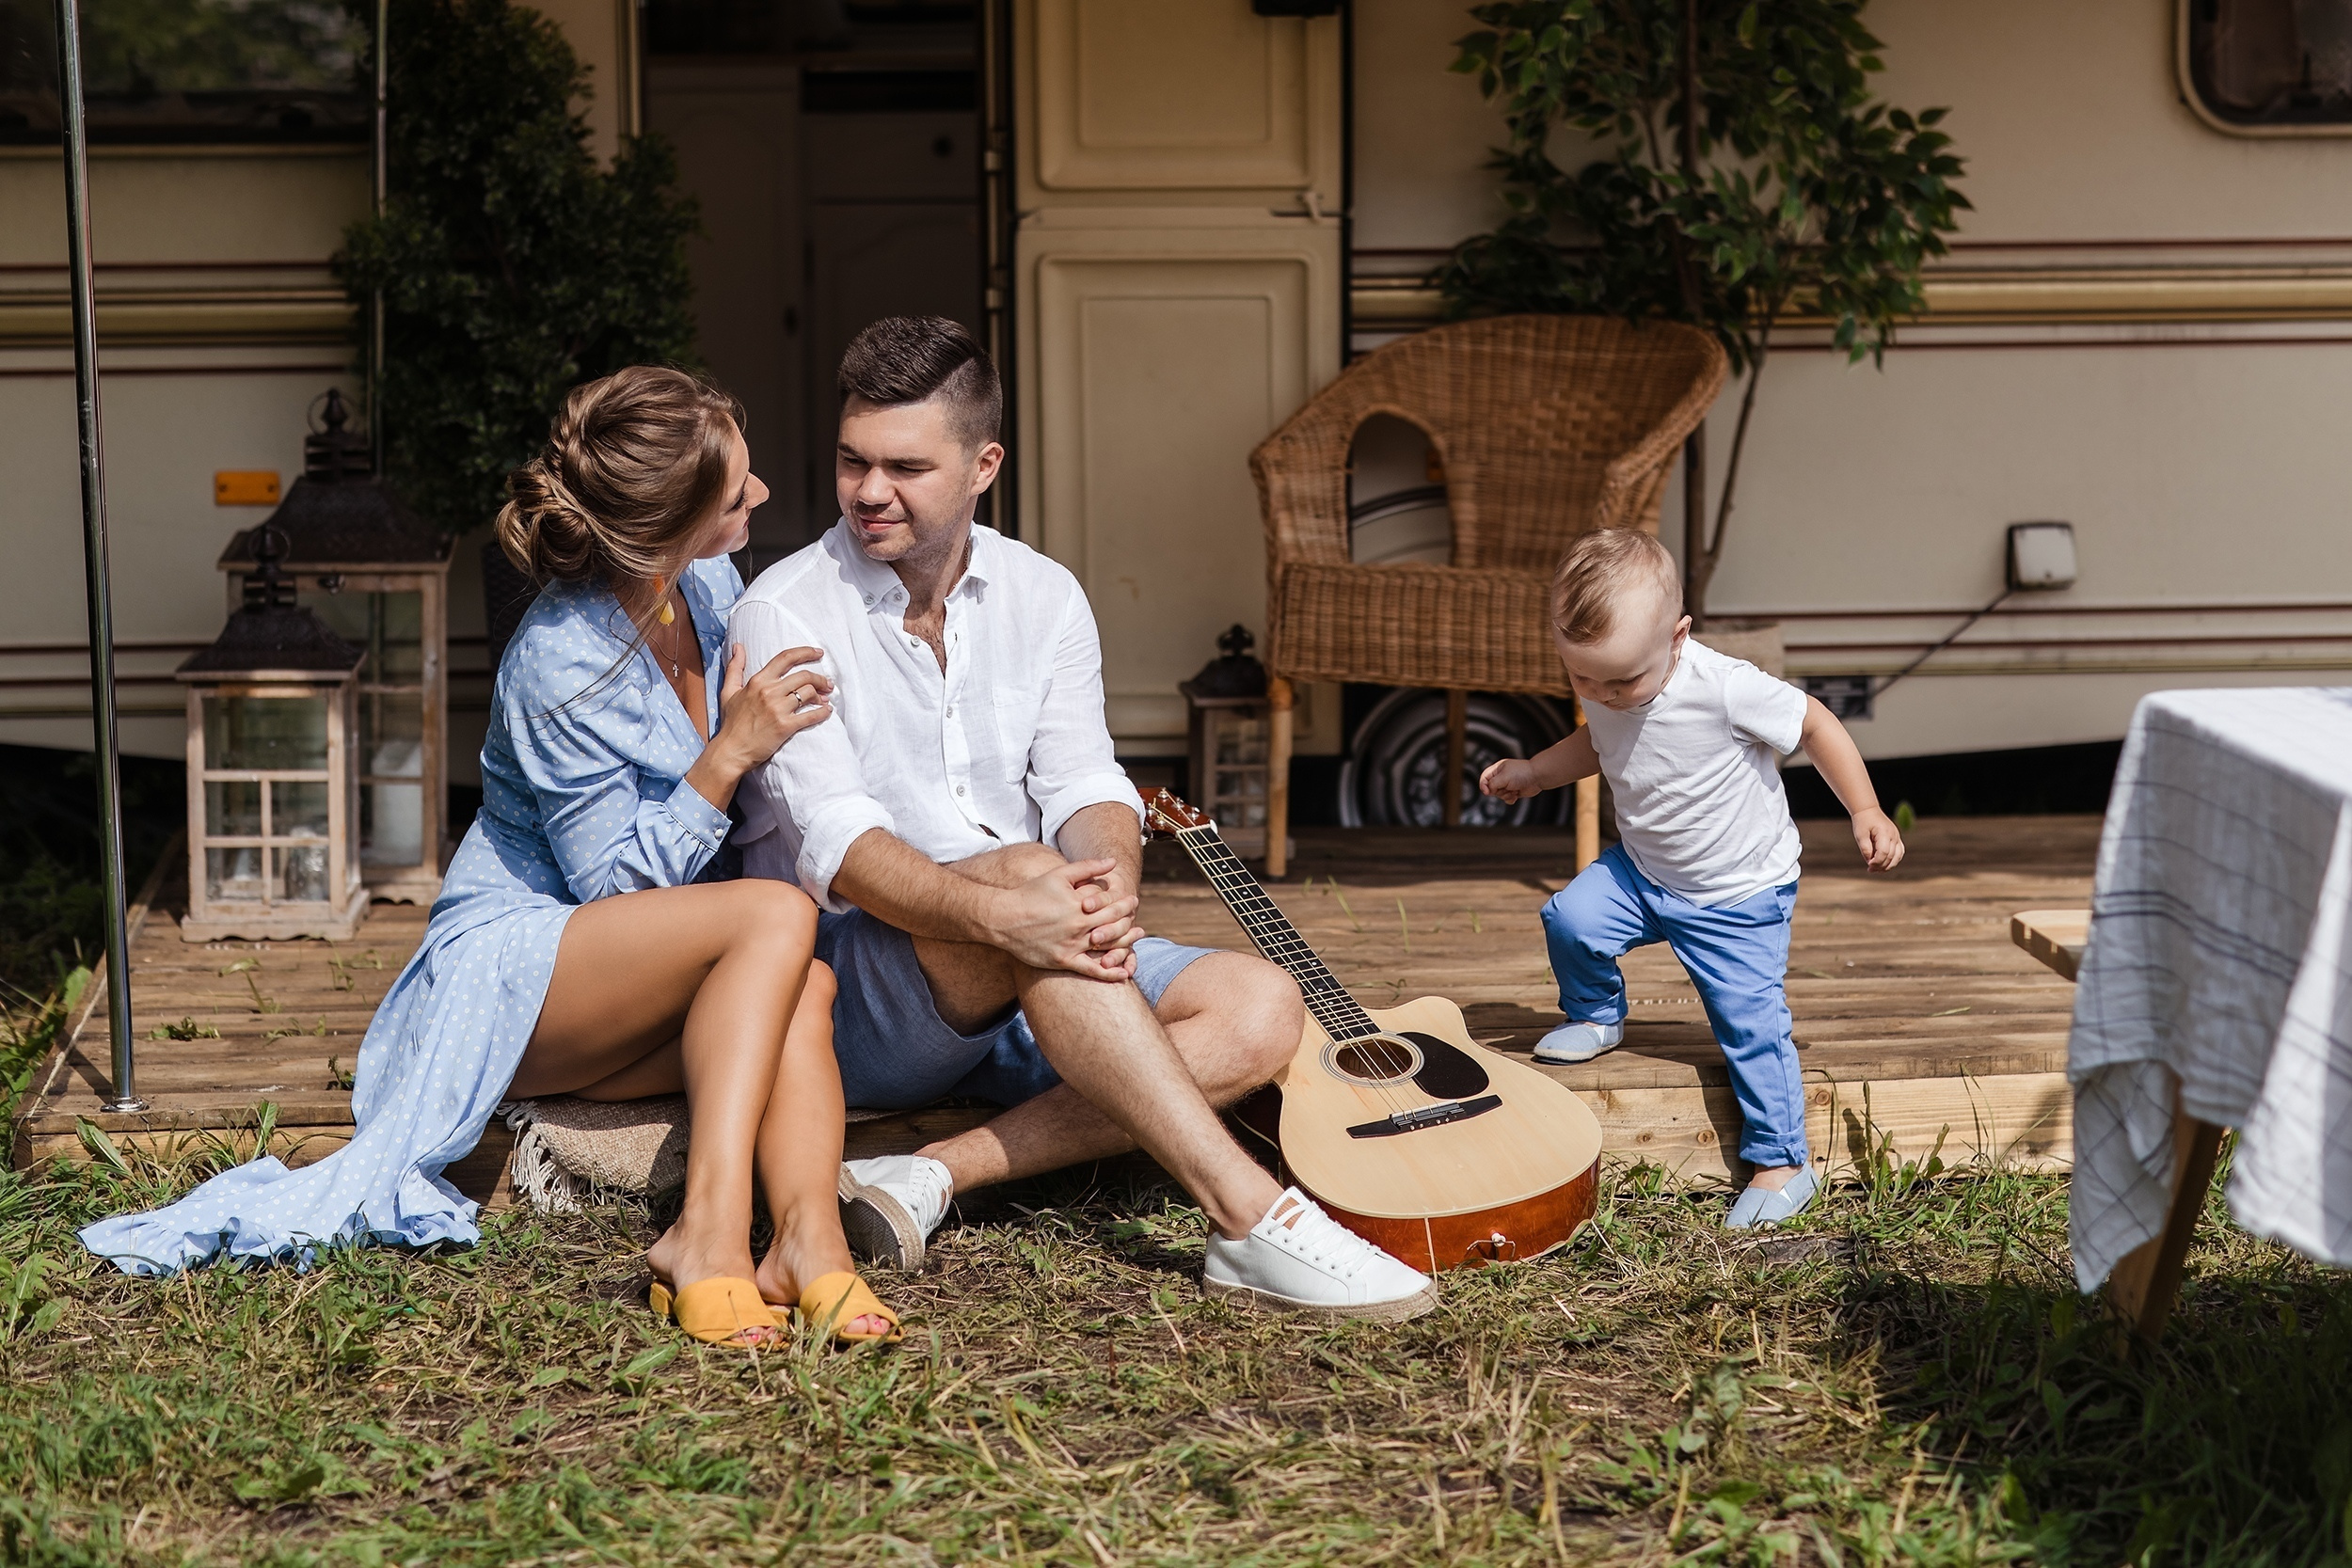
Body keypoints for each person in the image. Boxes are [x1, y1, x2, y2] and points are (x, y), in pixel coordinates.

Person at [82, 366, 898, 1346]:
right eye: (737, 492)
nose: (761, 496)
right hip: (513, 965)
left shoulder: (708, 589)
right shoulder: (560, 656)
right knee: (775, 913)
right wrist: (728, 751)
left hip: (638, 972)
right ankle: (706, 1236)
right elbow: (612, 886)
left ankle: (811, 1247)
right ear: (659, 531)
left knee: (802, 982)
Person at [729, 316, 1437, 1320]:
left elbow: (1083, 779)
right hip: (860, 985)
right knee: (1019, 871)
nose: (868, 491)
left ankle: (933, 1172)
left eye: (904, 466)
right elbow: (837, 846)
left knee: (1263, 1005)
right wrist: (1014, 911)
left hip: (1040, 950)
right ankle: (1249, 1214)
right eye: (852, 461)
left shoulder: (1042, 593)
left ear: (984, 464)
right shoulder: (788, 609)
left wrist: (1107, 881)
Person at [1478, 528, 1904, 1230]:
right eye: (1584, 680)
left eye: (1621, 681)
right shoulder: (1609, 691)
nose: (1604, 694)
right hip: (1644, 872)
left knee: (1750, 1024)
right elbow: (1595, 740)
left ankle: (1783, 1163)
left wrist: (1865, 806)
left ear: (1678, 638)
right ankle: (1596, 1012)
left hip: (1736, 894)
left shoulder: (1725, 686)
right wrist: (1534, 771)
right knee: (1571, 919)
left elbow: (1817, 725)